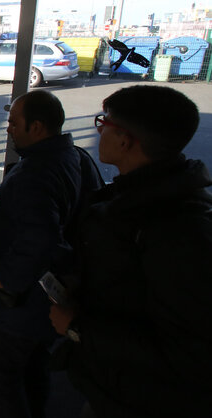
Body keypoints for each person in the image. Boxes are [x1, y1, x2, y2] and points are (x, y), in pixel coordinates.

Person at [49, 85, 212, 417]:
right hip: (112, 383)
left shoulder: (175, 229)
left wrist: (78, 326)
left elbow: (188, 351)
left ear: (125, 140)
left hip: (139, 400)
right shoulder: (139, 200)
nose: (98, 130)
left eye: (103, 122)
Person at [0, 90, 103, 418]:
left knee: (2, 377)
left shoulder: (34, 173)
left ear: (37, 127)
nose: (8, 129)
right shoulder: (74, 156)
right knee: (33, 370)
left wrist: (6, 277)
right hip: (47, 299)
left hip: (21, 306)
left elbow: (40, 237)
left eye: (14, 123)